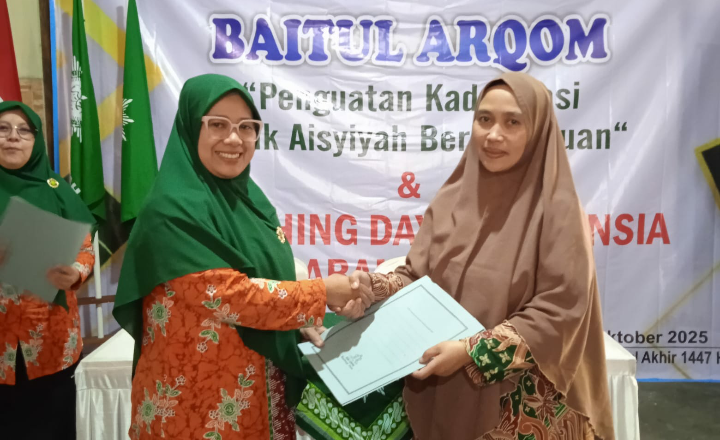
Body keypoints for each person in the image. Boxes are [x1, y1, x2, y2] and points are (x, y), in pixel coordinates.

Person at [339, 72, 614, 440]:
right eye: (484, 119)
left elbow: (560, 310)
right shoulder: (452, 199)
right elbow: (417, 278)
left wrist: (472, 351)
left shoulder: (558, 212)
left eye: (512, 122)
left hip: (524, 408)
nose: (493, 134)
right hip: (446, 387)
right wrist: (372, 288)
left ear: (538, 131)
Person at [113, 74, 369, 440]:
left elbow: (270, 278)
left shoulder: (250, 200)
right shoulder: (170, 210)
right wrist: (323, 293)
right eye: (218, 124)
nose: (234, 139)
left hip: (261, 401)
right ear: (190, 127)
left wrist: (298, 320)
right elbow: (228, 295)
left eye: (246, 127)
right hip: (196, 408)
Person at [0, 101, 96, 439]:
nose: (13, 137)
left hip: (52, 341)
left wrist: (76, 272)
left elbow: (85, 248)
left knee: (53, 427)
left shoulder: (57, 189)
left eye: (24, 130)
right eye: (3, 129)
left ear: (36, 140)